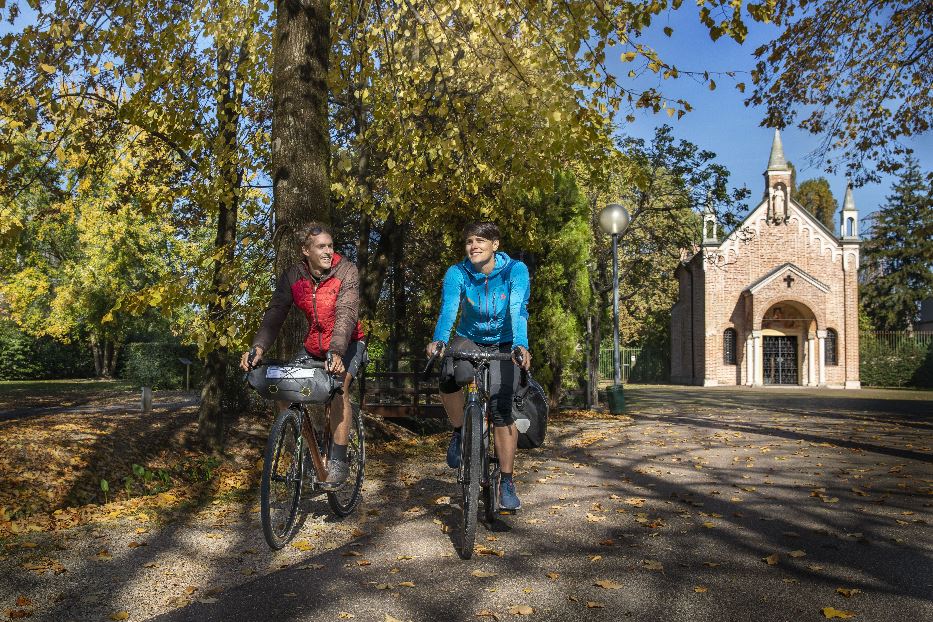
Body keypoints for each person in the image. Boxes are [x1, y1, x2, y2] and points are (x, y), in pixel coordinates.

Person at [240, 222, 366, 489]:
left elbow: (346, 313)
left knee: (339, 388)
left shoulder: (346, 270)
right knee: (282, 388)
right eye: (321, 246)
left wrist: (336, 351)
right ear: (305, 250)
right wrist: (259, 347)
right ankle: (306, 449)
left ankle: (339, 460)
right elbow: (275, 313)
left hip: (349, 343)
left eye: (330, 246)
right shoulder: (292, 276)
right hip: (313, 345)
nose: (328, 251)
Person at [426, 221, 532, 512]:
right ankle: (461, 431)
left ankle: (507, 481)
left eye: (480, 241)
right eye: (469, 241)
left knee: (501, 407)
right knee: (450, 375)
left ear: (495, 245)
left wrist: (520, 345)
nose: (473, 246)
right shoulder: (457, 272)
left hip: (505, 341)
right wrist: (439, 340)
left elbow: (517, 308)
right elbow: (449, 309)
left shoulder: (515, 271)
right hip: (469, 339)